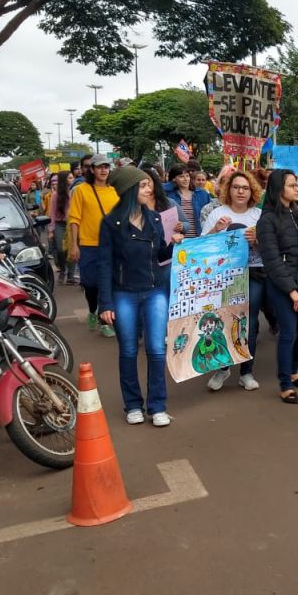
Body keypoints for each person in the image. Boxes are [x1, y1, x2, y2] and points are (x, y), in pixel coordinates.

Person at [98, 166, 181, 427]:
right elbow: (105, 264)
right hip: (123, 294)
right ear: (130, 190)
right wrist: (106, 303)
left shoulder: (155, 219)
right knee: (129, 350)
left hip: (155, 291)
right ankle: (133, 405)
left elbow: (158, 258)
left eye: (149, 185)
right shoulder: (111, 223)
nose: (150, 189)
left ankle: (157, 407)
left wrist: (173, 244)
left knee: (157, 349)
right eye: (144, 185)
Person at [201, 170, 265, 392]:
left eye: (245, 188)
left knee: (250, 323)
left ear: (252, 192)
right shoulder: (217, 213)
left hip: (253, 273)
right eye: (236, 187)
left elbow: (272, 249)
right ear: (228, 189)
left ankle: (246, 372)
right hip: (224, 277)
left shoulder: (259, 215)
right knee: (225, 321)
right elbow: (201, 248)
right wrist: (215, 230)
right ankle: (223, 367)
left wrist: (257, 240)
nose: (240, 191)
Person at [256, 169, 298, 404]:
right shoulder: (267, 220)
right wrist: (292, 291)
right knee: (287, 333)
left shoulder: (297, 213)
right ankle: (285, 384)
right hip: (281, 286)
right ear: (279, 190)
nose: (297, 188)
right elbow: (272, 261)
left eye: (297, 184)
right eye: (291, 185)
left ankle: (294, 370)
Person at [69, 153, 119, 337]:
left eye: (106, 166)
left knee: (107, 282)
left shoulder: (115, 190)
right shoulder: (81, 190)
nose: (103, 170)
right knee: (90, 283)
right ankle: (92, 309)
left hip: (112, 245)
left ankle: (103, 318)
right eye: (99, 167)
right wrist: (74, 245)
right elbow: (74, 219)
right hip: (88, 244)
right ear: (92, 169)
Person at [164, 163, 210, 238]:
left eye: (187, 176)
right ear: (174, 179)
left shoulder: (202, 194)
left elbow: (209, 215)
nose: (186, 179)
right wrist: (171, 184)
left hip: (198, 238)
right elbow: (159, 188)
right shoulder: (169, 195)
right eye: (181, 176)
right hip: (178, 239)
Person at [48, 169, 77, 285]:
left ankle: (70, 275)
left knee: (72, 250)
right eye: (70, 178)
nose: (72, 180)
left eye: (72, 177)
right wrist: (51, 230)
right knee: (60, 249)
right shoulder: (55, 195)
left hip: (72, 224)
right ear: (64, 180)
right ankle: (62, 270)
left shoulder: (75, 193)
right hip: (60, 224)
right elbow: (52, 213)